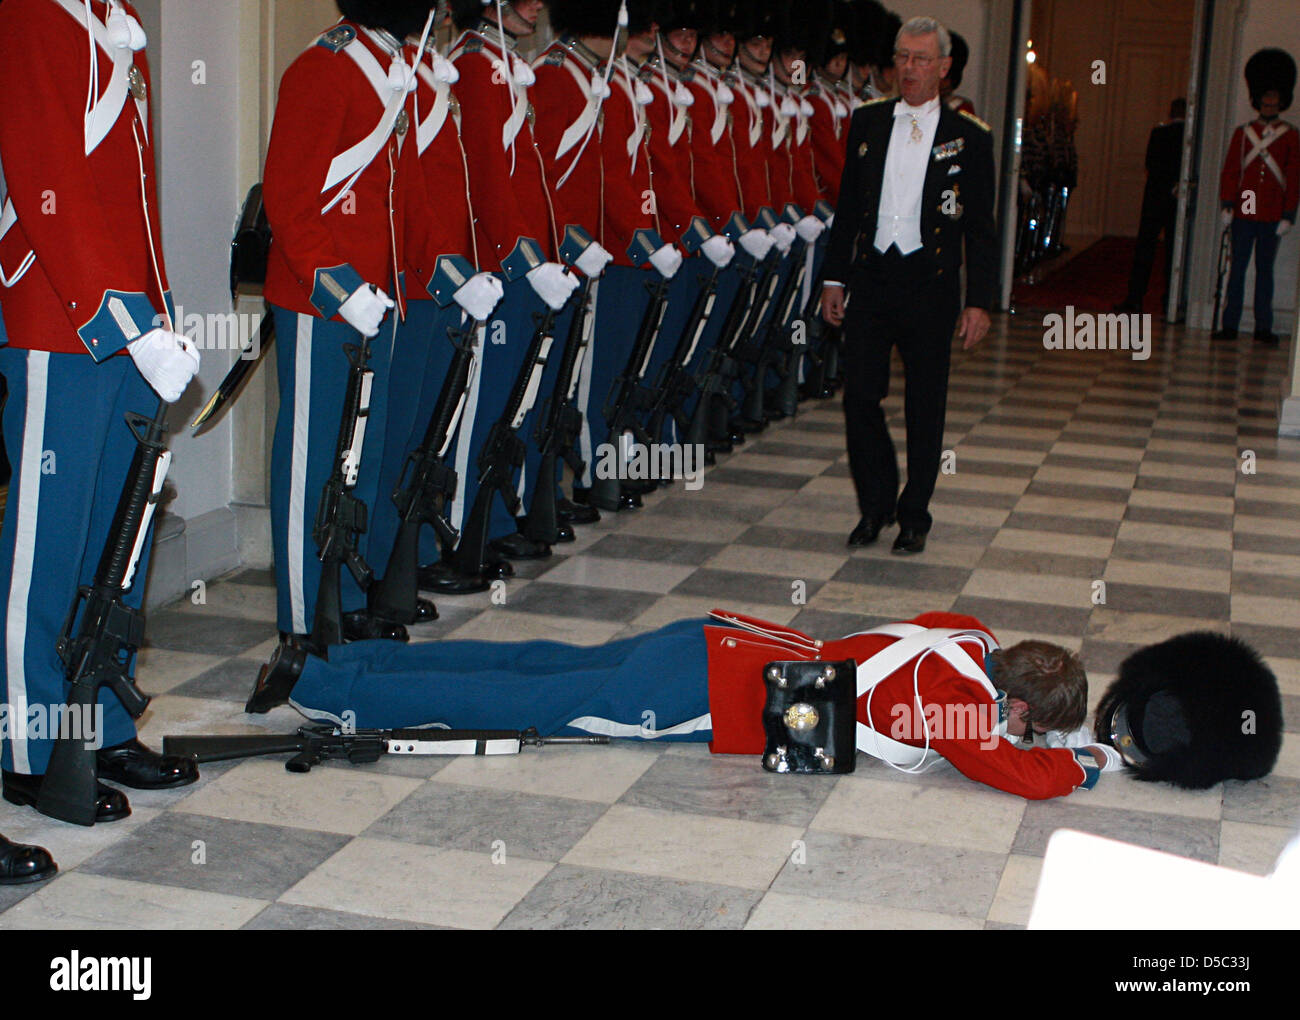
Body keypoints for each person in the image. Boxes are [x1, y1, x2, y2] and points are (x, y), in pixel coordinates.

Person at [0, 0, 203, 864]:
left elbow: (131, 194)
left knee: (113, 550)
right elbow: (44, 174)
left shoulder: (113, 20)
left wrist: (154, 314)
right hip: (59, 315)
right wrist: (110, 312)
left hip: (123, 320)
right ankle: (29, 741)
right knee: (45, 556)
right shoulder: (32, 13)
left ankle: (99, 720)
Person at [266, 608, 1117, 800]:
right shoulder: (956, 697)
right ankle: (327, 691)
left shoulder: (966, 637)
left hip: (721, 638)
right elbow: (1012, 773)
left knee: (535, 662)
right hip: (697, 694)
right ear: (1020, 707)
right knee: (527, 709)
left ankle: (350, 656)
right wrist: (1074, 766)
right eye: (1027, 720)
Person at [820, 15, 996, 556]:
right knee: (860, 400)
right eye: (902, 57)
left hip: (930, 283)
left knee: (926, 403)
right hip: (872, 279)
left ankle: (914, 512)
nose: (909, 69)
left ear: (944, 69)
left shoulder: (969, 137)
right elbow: (847, 208)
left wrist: (980, 301)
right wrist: (834, 277)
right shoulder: (868, 122)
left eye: (921, 59)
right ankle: (875, 504)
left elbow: (981, 226)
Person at [1213, 48, 1298, 346]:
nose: (1270, 100)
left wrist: (1288, 214)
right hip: (1246, 207)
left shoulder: (1290, 136)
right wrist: (1228, 204)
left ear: (1281, 98)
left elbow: (1294, 178)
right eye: (1266, 95)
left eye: (1274, 96)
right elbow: (1231, 171)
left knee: (1265, 272)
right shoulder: (1243, 133)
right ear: (1259, 97)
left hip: (1273, 213)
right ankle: (1230, 325)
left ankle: (1264, 326)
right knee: (1236, 270)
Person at [1115, 98, 1185, 314]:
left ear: (1170, 113)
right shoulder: (1189, 137)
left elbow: (1150, 163)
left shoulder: (1159, 133)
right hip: (1177, 197)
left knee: (1145, 250)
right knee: (1175, 251)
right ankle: (1171, 301)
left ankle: (1135, 298)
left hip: (1155, 196)